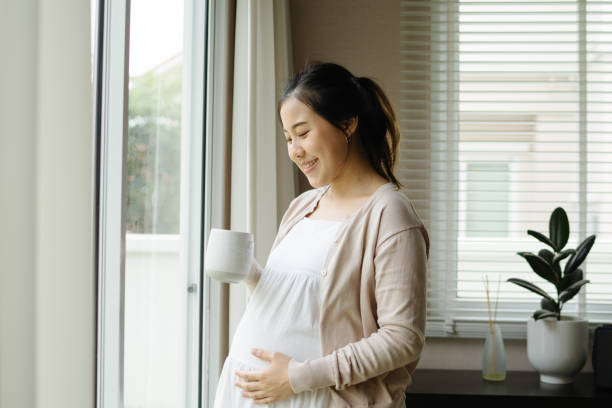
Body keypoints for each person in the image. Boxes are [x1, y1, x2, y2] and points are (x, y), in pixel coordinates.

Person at [213, 62, 429, 407]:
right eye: (288, 138)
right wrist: (251, 273)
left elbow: (402, 339)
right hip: (248, 394)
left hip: (316, 399)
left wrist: (296, 378)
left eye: (303, 132)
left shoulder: (391, 215)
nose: (294, 150)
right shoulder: (303, 205)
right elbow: (302, 302)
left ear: (347, 123)